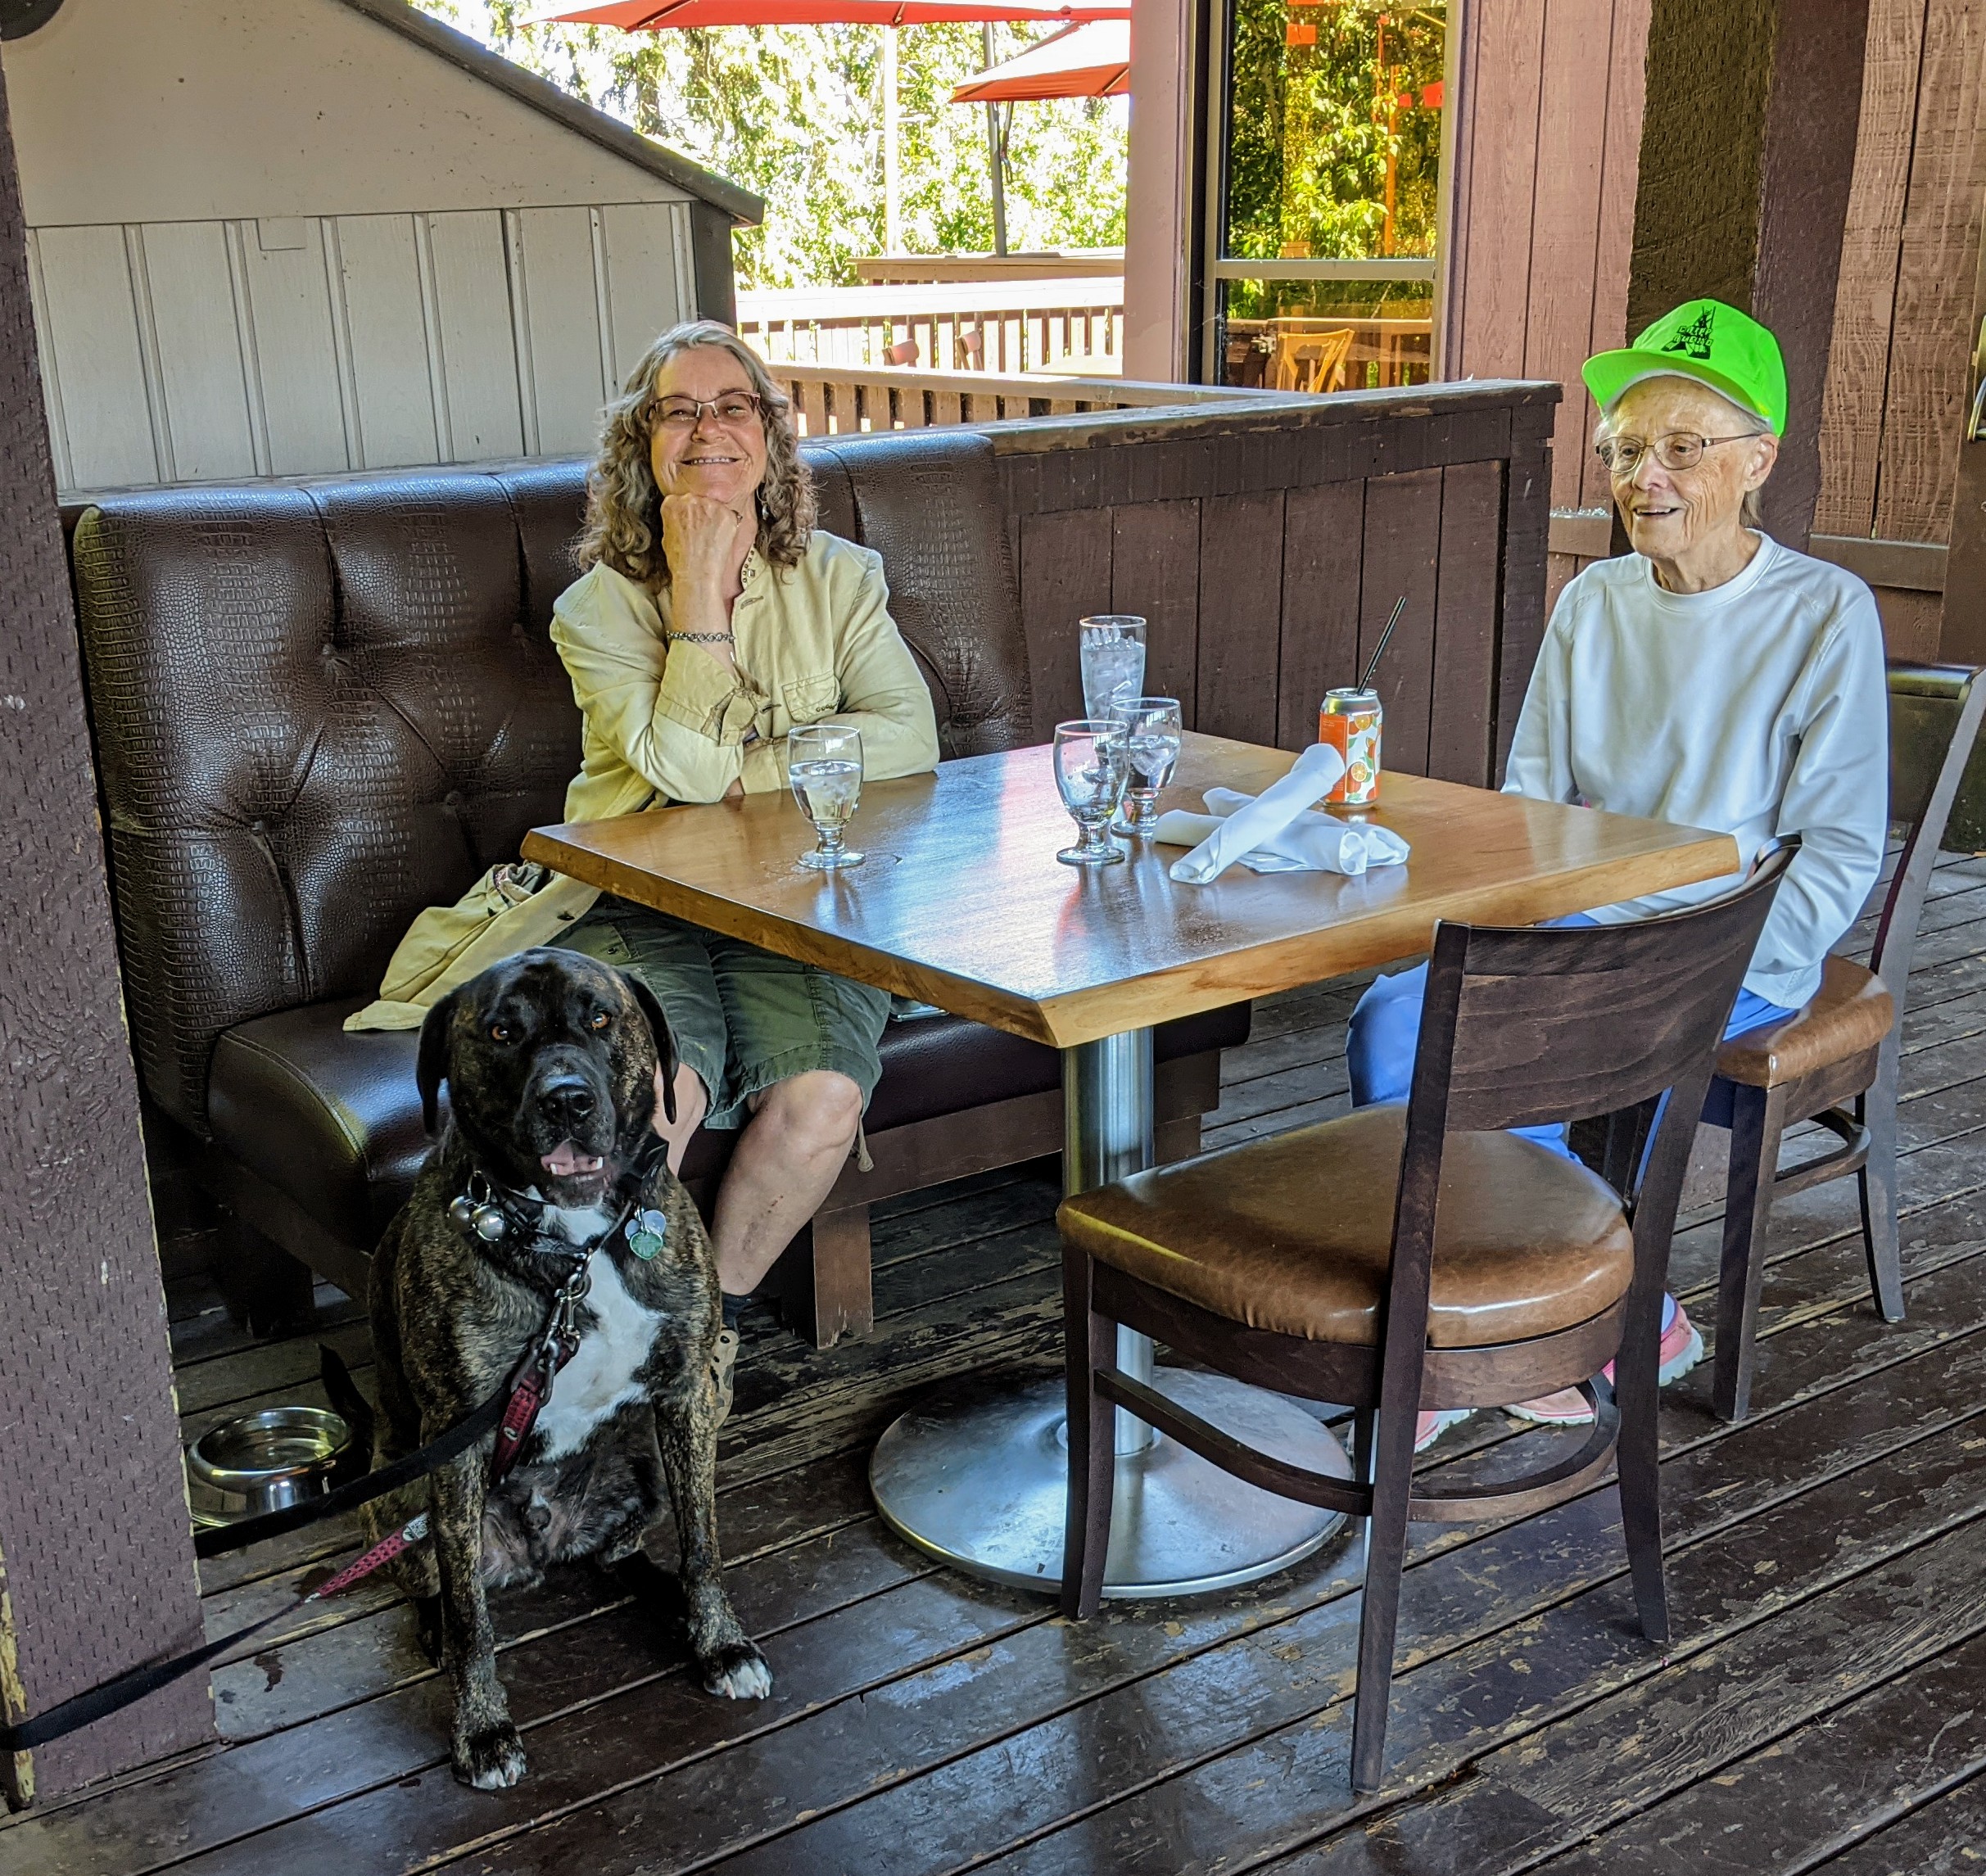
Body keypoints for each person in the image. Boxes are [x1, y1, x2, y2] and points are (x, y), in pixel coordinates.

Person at [352, 320, 940, 1417]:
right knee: (657, 1093)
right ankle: (584, 1332)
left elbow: (910, 739)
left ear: (769, 435)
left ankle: (694, 1342)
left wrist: (742, 768)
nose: (708, 428)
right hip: (638, 901)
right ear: (641, 445)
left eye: (734, 407)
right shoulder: (595, 609)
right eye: (679, 410)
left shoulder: (843, 577)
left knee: (818, 1098)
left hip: (800, 904)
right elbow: (676, 769)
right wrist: (700, 596)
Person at [1344, 298, 1889, 1444]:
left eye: (1680, 447)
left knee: (1515, 1053)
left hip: (1728, 940)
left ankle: (1524, 1331)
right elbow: (1530, 810)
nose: (1644, 475)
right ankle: (1554, 1319)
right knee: (1396, 1020)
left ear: (1756, 460)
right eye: (1625, 449)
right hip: (1584, 921)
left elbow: (1837, 843)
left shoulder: (1822, 611)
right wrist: (1519, 935)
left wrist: (1719, 962)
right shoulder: (1592, 602)